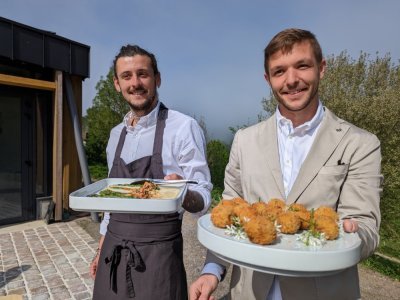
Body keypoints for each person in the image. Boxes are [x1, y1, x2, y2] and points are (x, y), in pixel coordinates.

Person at [189, 28, 382, 300]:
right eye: (279, 71)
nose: (291, 80)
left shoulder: (360, 143)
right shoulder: (244, 140)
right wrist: (211, 270)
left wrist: (352, 235)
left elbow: (367, 228)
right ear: (268, 79)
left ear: (321, 68)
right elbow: (229, 212)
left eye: (302, 66)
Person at [89, 44, 212, 299]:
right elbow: (113, 202)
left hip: (159, 257)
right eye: (127, 76)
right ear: (117, 84)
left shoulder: (183, 127)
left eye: (142, 74)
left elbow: (203, 198)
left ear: (157, 79)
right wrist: (101, 246)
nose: (135, 83)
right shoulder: (115, 135)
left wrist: (183, 192)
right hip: (113, 249)